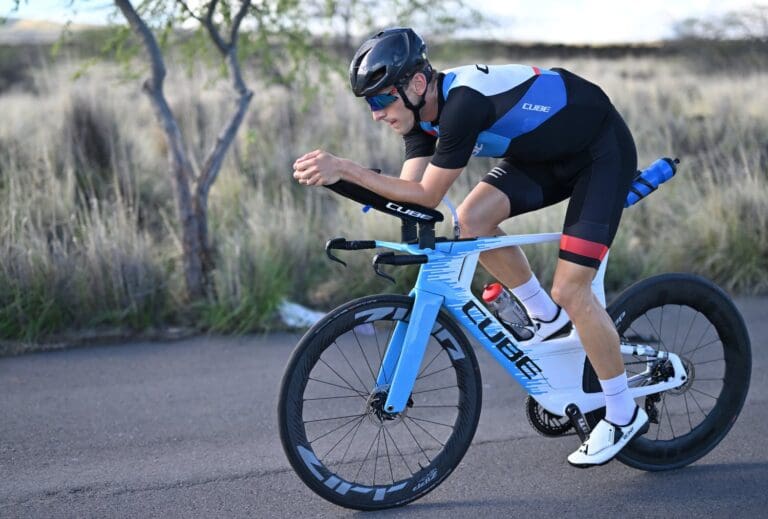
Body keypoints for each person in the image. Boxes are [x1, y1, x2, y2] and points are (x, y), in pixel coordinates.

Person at [292, 27, 648, 467]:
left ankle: (621, 411)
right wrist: (345, 182)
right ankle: (545, 317)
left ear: (417, 84)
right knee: (471, 221)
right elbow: (408, 190)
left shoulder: (462, 105)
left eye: (382, 100)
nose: (376, 114)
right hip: (543, 155)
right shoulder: (421, 118)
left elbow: (424, 197)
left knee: (572, 289)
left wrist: (346, 167)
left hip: (599, 151)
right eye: (370, 104)